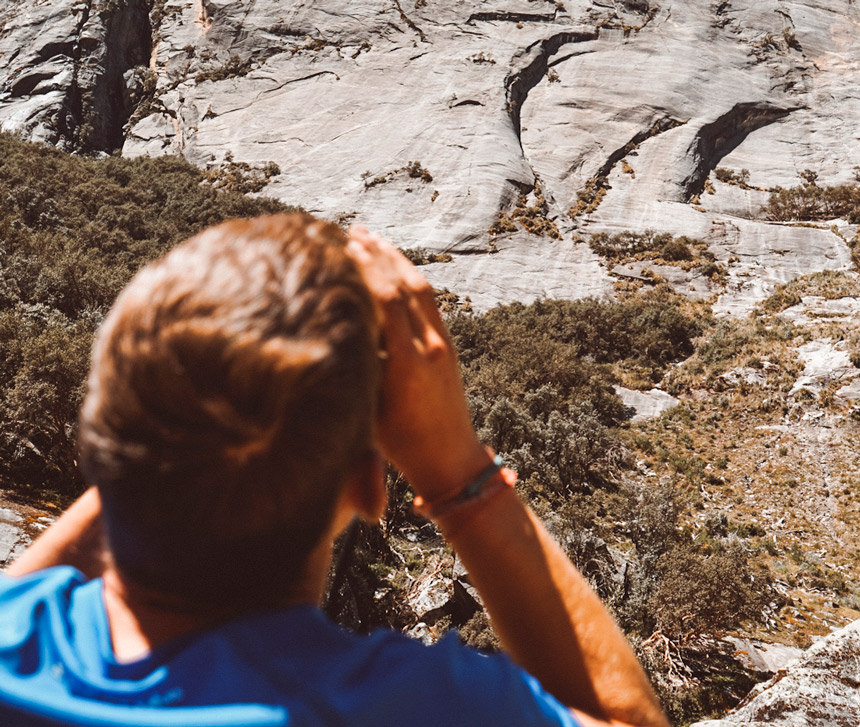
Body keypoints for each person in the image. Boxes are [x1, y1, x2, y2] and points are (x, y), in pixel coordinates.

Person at [0, 214, 668, 727]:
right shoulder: (404, 707)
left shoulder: (16, 646)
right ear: (370, 485)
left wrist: (166, 401)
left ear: (97, 444)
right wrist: (456, 470)